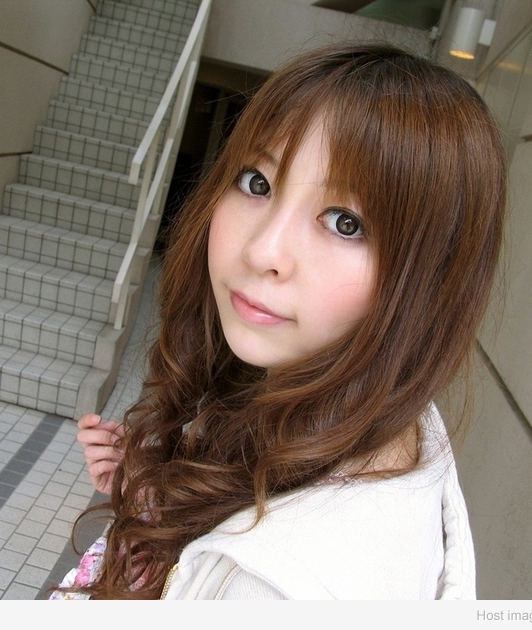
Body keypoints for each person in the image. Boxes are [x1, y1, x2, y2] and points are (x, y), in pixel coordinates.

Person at [53, 42, 506, 600]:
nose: (263, 250)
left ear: (431, 277)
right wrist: (151, 486)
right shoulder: (362, 419)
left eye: (345, 222)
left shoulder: (277, 589)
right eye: (258, 183)